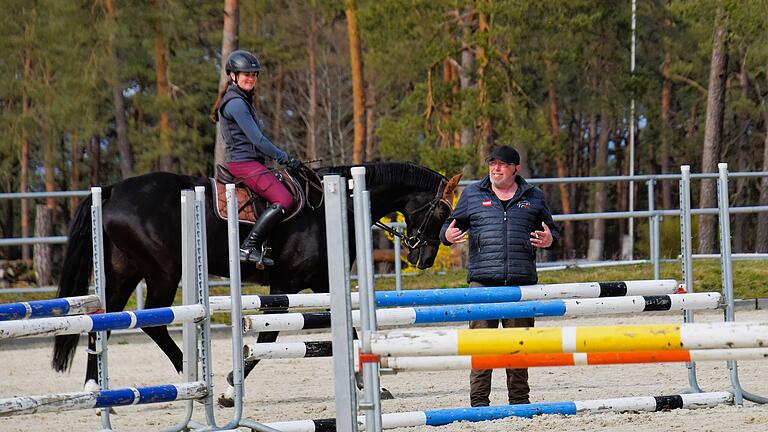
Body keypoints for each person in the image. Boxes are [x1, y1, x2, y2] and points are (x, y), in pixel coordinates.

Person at [439, 144, 559, 407]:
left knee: (519, 347)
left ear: (516, 168)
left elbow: (553, 233)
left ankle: (519, 401)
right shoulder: (472, 194)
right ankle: (479, 403)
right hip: (482, 282)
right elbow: (450, 226)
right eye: (492, 164)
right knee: (483, 347)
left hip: (521, 284)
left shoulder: (535, 196)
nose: (496, 168)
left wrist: (549, 239)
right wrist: (446, 236)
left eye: (502, 164)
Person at [211, 49, 301, 267]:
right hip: (244, 164)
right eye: (246, 74)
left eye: (253, 74)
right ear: (233, 76)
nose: (251, 78)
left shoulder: (241, 99)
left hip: (251, 162)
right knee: (285, 199)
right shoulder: (236, 104)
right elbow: (258, 140)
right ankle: (248, 246)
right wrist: (284, 158)